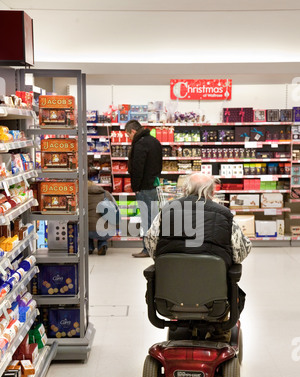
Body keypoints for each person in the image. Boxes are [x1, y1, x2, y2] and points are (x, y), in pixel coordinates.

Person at [144, 172, 252, 341]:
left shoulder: (166, 212)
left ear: (185, 190)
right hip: (215, 301)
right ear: (213, 193)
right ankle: (219, 333)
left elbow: (151, 245)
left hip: (169, 297)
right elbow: (241, 252)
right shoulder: (225, 216)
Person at [125, 119, 162, 258]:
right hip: (153, 185)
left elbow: (137, 168)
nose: (129, 138)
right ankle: (155, 248)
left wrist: (136, 187)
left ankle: (147, 249)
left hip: (144, 188)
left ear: (133, 131)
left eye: (128, 135)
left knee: (146, 219)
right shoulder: (155, 141)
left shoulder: (140, 144)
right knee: (154, 219)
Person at [88, 181, 119, 255]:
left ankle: (89, 247)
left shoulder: (82, 195)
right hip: (105, 231)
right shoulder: (106, 194)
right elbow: (116, 209)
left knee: (87, 226)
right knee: (104, 227)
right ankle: (102, 245)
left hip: (87, 231)